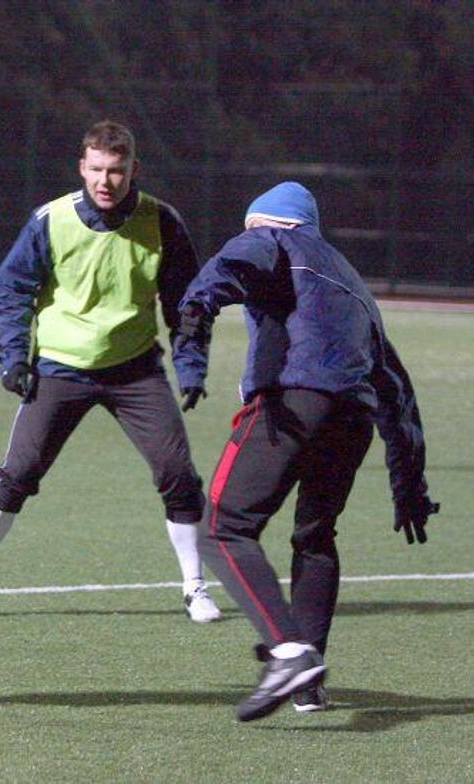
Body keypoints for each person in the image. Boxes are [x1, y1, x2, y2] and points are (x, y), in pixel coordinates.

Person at [172, 181, 439, 721]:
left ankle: (289, 652)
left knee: (222, 528)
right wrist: (409, 483)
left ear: (275, 221)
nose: (250, 233)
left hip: (296, 403)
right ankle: (309, 688)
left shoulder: (275, 238)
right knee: (315, 537)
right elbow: (397, 390)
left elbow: (228, 268)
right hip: (353, 419)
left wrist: (197, 313)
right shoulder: (354, 283)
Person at [0, 120, 220, 623]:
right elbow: (12, 289)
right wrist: (14, 357)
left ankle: (194, 587)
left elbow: (187, 303)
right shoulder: (50, 220)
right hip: (61, 368)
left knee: (178, 475)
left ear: (133, 170)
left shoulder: (162, 222)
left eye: (116, 171)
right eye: (96, 169)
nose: (106, 181)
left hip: (136, 371)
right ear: (82, 167)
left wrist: (191, 367)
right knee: (20, 472)